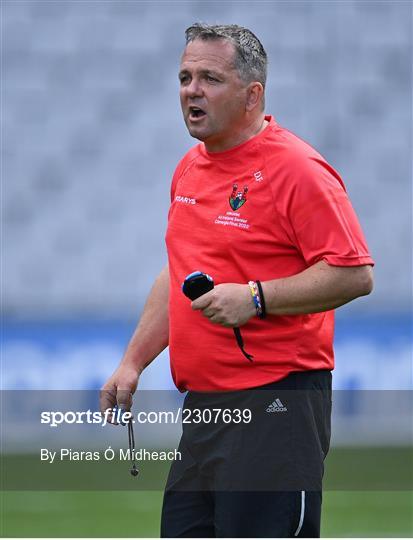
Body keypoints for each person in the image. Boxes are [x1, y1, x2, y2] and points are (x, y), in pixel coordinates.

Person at [100, 23, 374, 538]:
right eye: (184, 77)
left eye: (209, 78)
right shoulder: (189, 168)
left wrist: (257, 297)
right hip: (203, 410)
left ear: (253, 95)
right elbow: (179, 269)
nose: (191, 90)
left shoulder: (298, 169)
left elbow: (354, 273)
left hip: (277, 406)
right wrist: (133, 361)